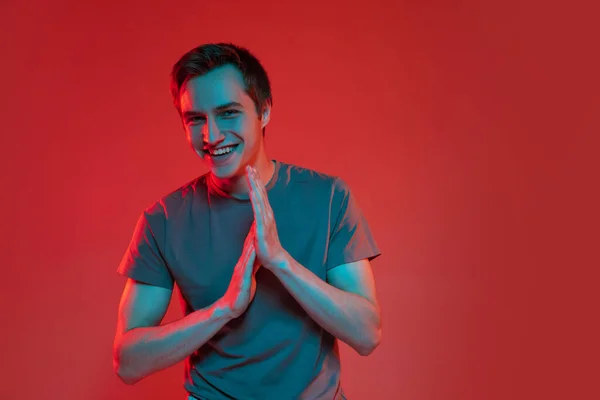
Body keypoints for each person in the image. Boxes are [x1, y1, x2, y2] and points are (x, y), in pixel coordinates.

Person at [112, 42, 382, 400]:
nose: (211, 135)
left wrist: (280, 262)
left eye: (228, 113)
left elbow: (366, 335)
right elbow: (128, 363)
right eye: (195, 119)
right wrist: (223, 310)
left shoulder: (329, 198)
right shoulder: (162, 220)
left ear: (264, 111)